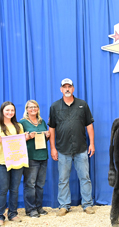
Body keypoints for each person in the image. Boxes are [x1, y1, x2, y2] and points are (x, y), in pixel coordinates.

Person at [48, 78, 95, 216]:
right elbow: (51, 129)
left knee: (85, 177)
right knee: (63, 179)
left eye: (69, 86)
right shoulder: (55, 106)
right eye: (64, 87)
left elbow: (89, 125)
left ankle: (87, 204)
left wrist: (91, 143)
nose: (67, 89)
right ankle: (64, 205)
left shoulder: (82, 104)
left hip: (81, 148)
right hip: (62, 149)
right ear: (61, 89)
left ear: (73, 88)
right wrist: (53, 148)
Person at [0, 101, 27, 227]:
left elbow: (20, 143)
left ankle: (13, 213)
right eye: (7, 110)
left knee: (14, 189)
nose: (10, 112)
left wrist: (25, 137)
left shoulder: (18, 126)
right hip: (1, 162)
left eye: (12, 110)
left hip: (17, 161)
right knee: (3, 190)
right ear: (2, 111)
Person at [20, 100, 50, 218]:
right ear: (27, 109)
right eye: (30, 107)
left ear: (38, 108)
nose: (33, 109)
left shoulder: (42, 122)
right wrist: (27, 137)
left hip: (43, 156)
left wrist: (47, 136)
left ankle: (38, 207)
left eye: (35, 106)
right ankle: (30, 209)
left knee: (40, 184)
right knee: (30, 184)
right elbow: (17, 140)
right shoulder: (22, 123)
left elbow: (42, 139)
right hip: (31, 157)